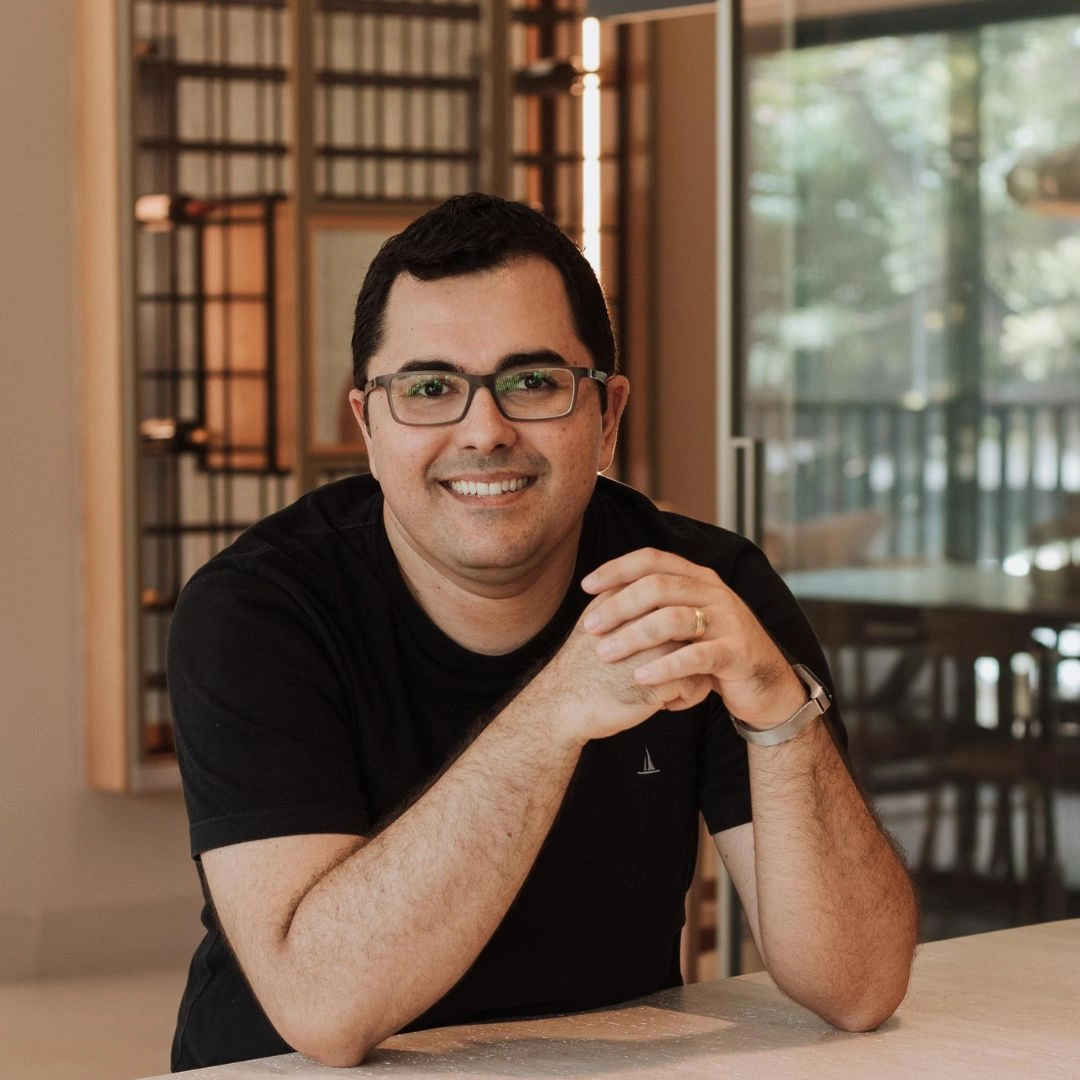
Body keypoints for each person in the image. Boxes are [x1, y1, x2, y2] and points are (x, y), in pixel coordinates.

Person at [168, 192, 918, 1071]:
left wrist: (777, 707)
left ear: (607, 417)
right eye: (430, 389)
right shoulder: (259, 610)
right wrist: (558, 708)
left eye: (532, 383)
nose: (484, 432)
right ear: (369, 426)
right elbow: (323, 1009)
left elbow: (858, 986)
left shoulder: (704, 588)